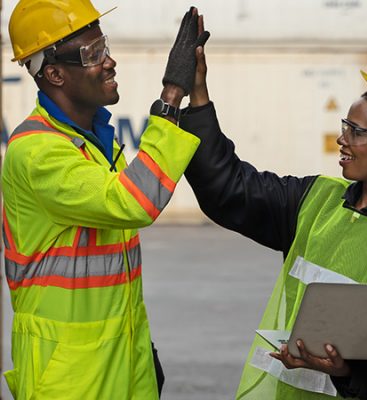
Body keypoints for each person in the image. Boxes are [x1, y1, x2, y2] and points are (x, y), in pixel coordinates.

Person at [178, 20, 367, 400]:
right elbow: (230, 189)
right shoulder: (316, 200)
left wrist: (348, 375)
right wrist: (198, 95)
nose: (342, 138)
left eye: (358, 132)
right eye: (345, 125)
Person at [2, 1, 208, 399]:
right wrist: (171, 96)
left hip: (119, 357)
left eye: (104, 46)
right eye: (93, 54)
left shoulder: (94, 141)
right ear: (55, 73)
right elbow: (133, 202)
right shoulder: (39, 151)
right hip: (70, 375)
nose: (109, 61)